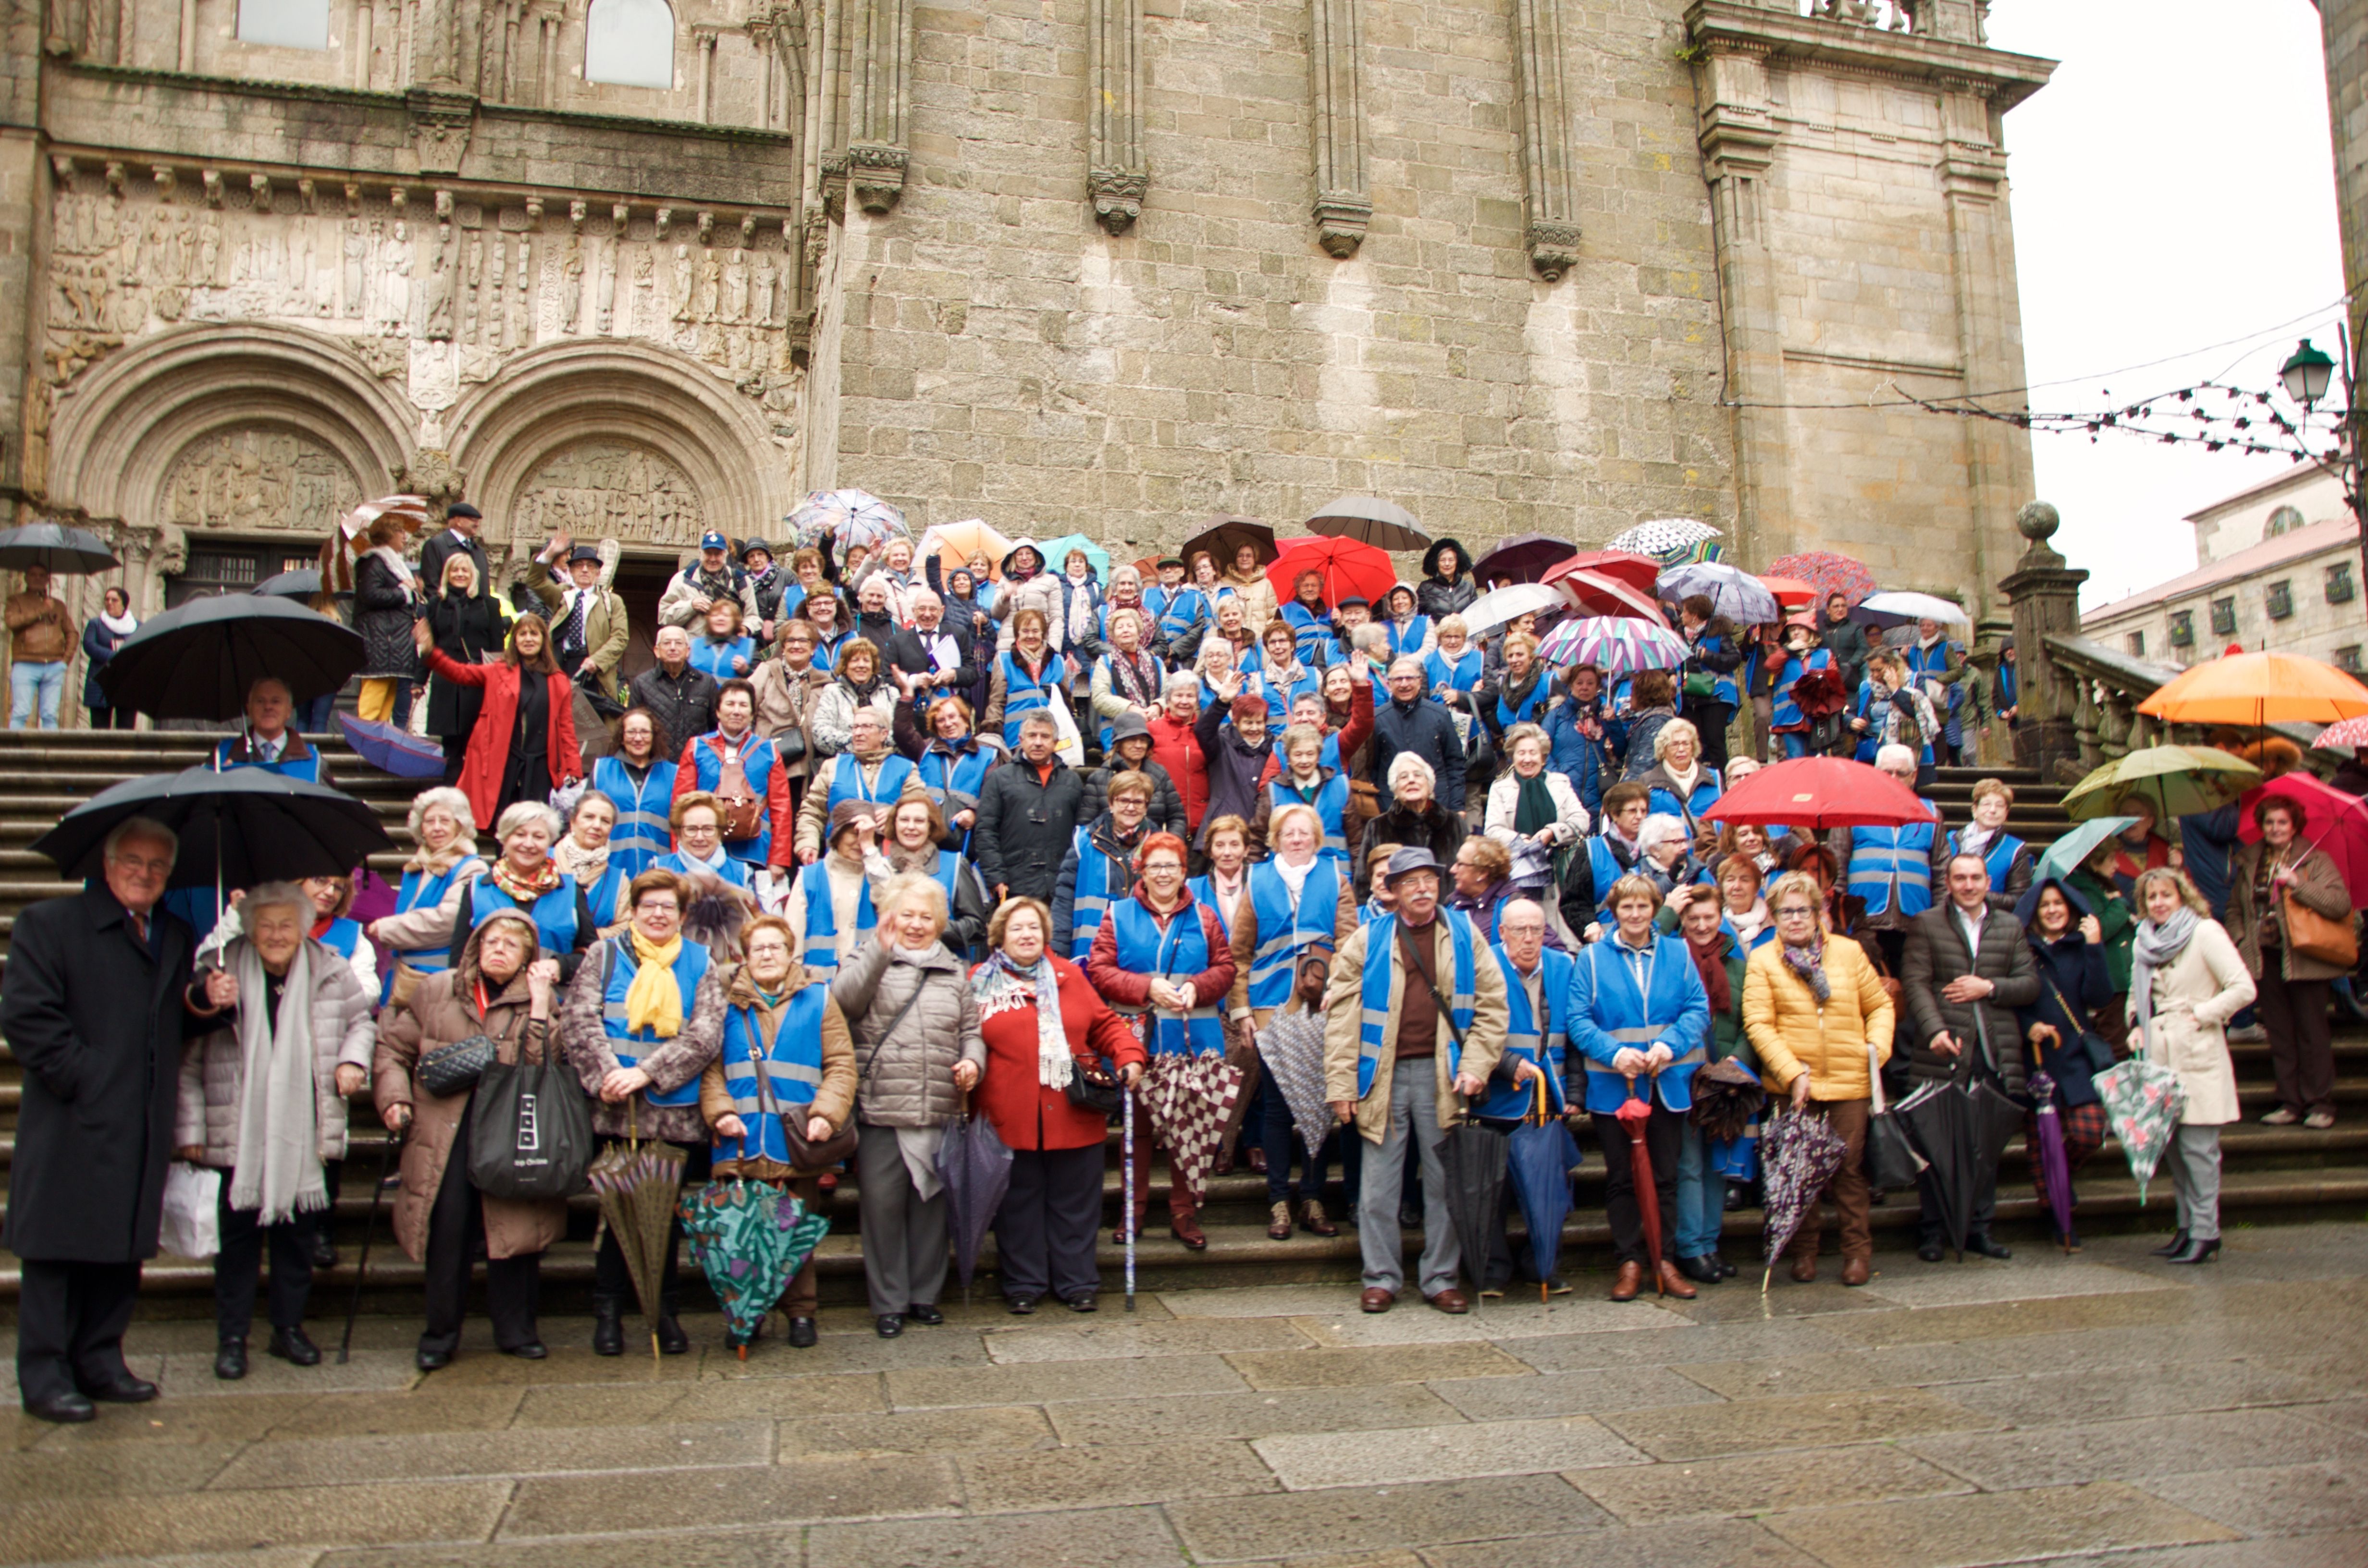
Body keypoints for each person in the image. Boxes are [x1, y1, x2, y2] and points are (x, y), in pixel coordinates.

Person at [4, 819, 214, 1421]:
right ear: (108, 862)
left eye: (157, 868)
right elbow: (28, 1020)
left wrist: (206, 1004)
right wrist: (90, 1081)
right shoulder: (49, 925)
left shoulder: (171, 935)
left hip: (142, 1121)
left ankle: (100, 1359)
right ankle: (45, 1375)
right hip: (74, 1119)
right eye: (134, 862)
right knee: (56, 1253)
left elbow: (171, 1021)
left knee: (122, 1249)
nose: (144, 875)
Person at [173, 882, 374, 1378]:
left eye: (287, 924)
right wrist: (191, 1126)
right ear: (249, 927)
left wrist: (353, 1060)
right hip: (235, 1128)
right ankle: (233, 1338)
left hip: (304, 1127)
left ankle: (288, 1329)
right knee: (237, 1241)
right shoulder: (219, 970)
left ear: (304, 925)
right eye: (266, 924)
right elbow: (187, 1056)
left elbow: (362, 1023)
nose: (277, 934)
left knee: (296, 1238)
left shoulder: (331, 968)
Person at [374, 909, 565, 1369]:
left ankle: (516, 1329)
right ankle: (440, 1334)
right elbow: (392, 1048)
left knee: (514, 1227)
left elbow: (543, 1066)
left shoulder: (540, 1000)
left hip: (512, 1129)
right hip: (447, 1129)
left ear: (527, 958)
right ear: (476, 947)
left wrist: (539, 1005)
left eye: (511, 945)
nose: (498, 950)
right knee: (448, 1231)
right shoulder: (437, 990)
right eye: (491, 941)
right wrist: (394, 1099)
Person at [1323, 847, 1508, 1314]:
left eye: (1429, 879)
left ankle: (1440, 1277)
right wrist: (1341, 1085)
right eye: (1411, 882)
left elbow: (1492, 1005)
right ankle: (1381, 1278)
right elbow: (1342, 1017)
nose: (1423, 889)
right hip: (1380, 1077)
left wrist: (1476, 1065)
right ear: (1394, 891)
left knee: (1444, 1183)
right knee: (1378, 1186)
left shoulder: (1464, 934)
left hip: (1443, 1075)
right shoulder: (1367, 940)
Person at [561, 869, 728, 1354]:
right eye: (649, 906)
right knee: (616, 1215)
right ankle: (608, 1312)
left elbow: (705, 1034)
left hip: (670, 1111)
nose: (658, 915)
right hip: (613, 1108)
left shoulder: (699, 960)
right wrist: (611, 1075)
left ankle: (664, 1312)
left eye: (668, 908)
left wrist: (648, 1073)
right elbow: (577, 1018)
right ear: (634, 911)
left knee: (662, 1216)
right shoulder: (603, 955)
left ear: (681, 916)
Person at [832, 878, 984, 1336]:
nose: (916, 925)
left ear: (939, 923)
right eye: (908, 915)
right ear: (890, 917)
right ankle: (889, 1303)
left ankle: (924, 1295)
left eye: (926, 917)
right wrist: (879, 951)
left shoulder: (955, 969)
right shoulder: (867, 955)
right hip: (882, 1106)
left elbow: (971, 1031)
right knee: (882, 1208)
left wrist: (973, 1062)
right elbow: (843, 1003)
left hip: (938, 1105)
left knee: (930, 1208)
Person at [976, 894, 1142, 1312]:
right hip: (1008, 1116)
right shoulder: (979, 981)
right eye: (1017, 928)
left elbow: (1105, 1025)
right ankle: (1023, 1285)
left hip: (1072, 1112)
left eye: (1034, 927)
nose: (1027, 934)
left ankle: (1077, 1282)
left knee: (1075, 1205)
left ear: (1046, 933)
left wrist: (1129, 1055)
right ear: (1000, 936)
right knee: (1018, 1208)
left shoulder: (1070, 976)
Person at [700, 913, 856, 1350]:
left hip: (797, 1142)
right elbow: (710, 1070)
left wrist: (827, 1113)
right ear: (744, 957)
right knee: (742, 1237)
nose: (767, 955)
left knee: (794, 1233)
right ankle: (747, 1314)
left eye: (775, 947)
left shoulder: (820, 999)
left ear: (792, 954)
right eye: (758, 949)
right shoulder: (725, 1003)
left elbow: (841, 1065)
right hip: (741, 1139)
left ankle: (801, 1313)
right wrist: (719, 1113)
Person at [1084, 832, 1236, 1248]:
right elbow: (1099, 969)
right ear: (1142, 872)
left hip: (1194, 1042)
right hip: (1140, 1043)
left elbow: (1226, 968)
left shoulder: (1205, 916)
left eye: (1172, 866)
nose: (1164, 874)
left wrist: (1199, 988)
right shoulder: (1118, 915)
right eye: (1155, 866)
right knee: (1138, 1132)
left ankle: (1184, 1214)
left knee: (1189, 1130)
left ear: (1185, 872)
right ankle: (1132, 1212)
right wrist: (1145, 988)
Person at [1741, 872, 1892, 1285]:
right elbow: (1759, 1022)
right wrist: (1791, 1072)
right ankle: (1805, 1252)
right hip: (1795, 1083)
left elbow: (1879, 1005)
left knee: (1849, 1169)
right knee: (1800, 1168)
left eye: (1803, 910)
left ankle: (1856, 1253)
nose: (1795, 919)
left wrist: (1876, 1049)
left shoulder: (1848, 952)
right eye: (1785, 912)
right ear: (1773, 916)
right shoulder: (1763, 960)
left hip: (1849, 1079)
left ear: (1817, 911)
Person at [1566, 875, 1710, 1301]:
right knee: (1621, 1180)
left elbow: (1697, 1008)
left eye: (1643, 907)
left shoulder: (1678, 952)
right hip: (1615, 1087)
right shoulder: (1591, 959)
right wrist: (1613, 1053)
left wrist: (1670, 1045)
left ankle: (1664, 1259)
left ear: (1655, 909)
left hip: (1666, 1083)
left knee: (1666, 1178)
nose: (1635, 915)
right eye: (1626, 908)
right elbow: (1578, 1019)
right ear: (1613, 911)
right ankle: (1629, 1261)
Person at [1902, 852, 2041, 1262]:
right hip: (1944, 1047)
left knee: (1986, 1145)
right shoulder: (1928, 924)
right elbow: (1915, 982)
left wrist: (1989, 988)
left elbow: (2030, 983)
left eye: (1975, 878)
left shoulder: (2011, 925)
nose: (1968, 885)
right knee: (1934, 1143)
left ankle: (1979, 1228)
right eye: (1960, 878)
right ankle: (1933, 1231)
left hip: (1995, 1050)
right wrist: (1934, 1030)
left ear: (1987, 882)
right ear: (1948, 881)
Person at [2128, 867, 2255, 1265]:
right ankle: (2185, 1228)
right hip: (2159, 1054)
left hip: (2197, 1049)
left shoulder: (2206, 933)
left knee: (2199, 1149)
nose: (2159, 903)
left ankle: (2207, 1232)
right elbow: (2137, 994)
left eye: (2167, 894)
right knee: (2174, 1151)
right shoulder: (2144, 940)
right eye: (2152, 897)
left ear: (2182, 896)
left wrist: (2203, 1013)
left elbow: (2243, 987)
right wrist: (2135, 1024)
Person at [2229, 796, 2349, 1129]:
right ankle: (2290, 1101)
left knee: (2313, 1033)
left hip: (2305, 958)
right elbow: (2235, 908)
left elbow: (2340, 904)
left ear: (2294, 825)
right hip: (2266, 957)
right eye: (2269, 822)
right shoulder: (2250, 862)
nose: (2275, 829)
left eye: (2282, 822)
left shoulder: (2317, 860)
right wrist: (2241, 939)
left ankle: (2319, 1103)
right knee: (2280, 1032)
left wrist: (2299, 885)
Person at [1478, 898, 1575, 1293]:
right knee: (1494, 1193)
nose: (1529, 938)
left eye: (1536, 929)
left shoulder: (1562, 966)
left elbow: (1577, 1031)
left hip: (1550, 1096)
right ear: (1502, 932)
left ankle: (1544, 1267)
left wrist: (1576, 1093)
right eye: (1519, 930)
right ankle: (1494, 1272)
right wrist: (1505, 1065)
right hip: (1502, 1096)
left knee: (1550, 1189)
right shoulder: (1485, 968)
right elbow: (1469, 1029)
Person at [414, 614, 582, 830]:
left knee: (537, 826)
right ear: (514, 640)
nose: (528, 639)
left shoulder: (559, 681)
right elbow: (461, 674)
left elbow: (566, 729)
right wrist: (431, 653)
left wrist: (574, 770)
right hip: (505, 761)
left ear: (543, 640)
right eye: (522, 634)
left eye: (534, 634)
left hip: (541, 765)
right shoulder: (497, 670)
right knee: (502, 825)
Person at [2015, 878, 2113, 1250]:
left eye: (2059, 904)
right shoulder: (2023, 950)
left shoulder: (2081, 946)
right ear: (2035, 913)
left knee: (2089, 1131)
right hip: (2037, 1059)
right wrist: (2029, 1028)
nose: (2053, 911)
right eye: (2045, 906)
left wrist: (2095, 947)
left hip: (2075, 1056)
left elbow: (2099, 996)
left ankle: (2063, 1179)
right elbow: (2012, 1002)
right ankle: (2058, 1220)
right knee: (2042, 1142)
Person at [1667, 884, 1751, 1275]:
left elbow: (1751, 1018)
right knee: (1690, 1164)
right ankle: (1689, 1246)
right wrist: (1669, 911)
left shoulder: (1737, 962)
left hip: (1725, 1079)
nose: (1702, 926)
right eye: (1693, 919)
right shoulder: (1670, 957)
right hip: (1685, 1074)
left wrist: (1737, 1058)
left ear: (1722, 919)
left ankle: (1710, 1242)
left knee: (1718, 1164)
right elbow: (1646, 934)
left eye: (1709, 918)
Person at [451, 800, 599, 978]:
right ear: (504, 839)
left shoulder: (571, 892)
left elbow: (595, 957)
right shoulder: (477, 889)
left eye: (538, 837)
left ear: (550, 842)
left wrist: (562, 966)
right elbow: (459, 961)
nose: (529, 844)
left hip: (552, 1000)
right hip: (487, 1002)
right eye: (520, 835)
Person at [1832, 744, 1943, 976]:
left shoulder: (1931, 813)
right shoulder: (1852, 809)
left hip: (1915, 923)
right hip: (1863, 922)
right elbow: (1836, 865)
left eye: (1900, 773)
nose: (1893, 778)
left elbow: (1942, 872)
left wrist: (1939, 921)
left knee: (1910, 995)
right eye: (1886, 772)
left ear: (1913, 777)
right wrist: (1838, 918)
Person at [367, 788, 487, 1001]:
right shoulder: (416, 868)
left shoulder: (472, 869)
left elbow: (449, 921)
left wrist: (387, 928)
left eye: (445, 821)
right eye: (430, 821)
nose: (437, 828)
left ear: (459, 826)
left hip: (441, 986)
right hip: (403, 981)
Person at [673, 679, 794, 872]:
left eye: (743, 705)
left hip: (754, 852)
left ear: (752, 714)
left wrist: (779, 859)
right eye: (730, 704)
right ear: (718, 711)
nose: (736, 711)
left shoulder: (768, 750)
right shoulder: (697, 747)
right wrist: (677, 852)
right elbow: (680, 805)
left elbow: (781, 808)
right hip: (702, 851)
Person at [974, 711, 1085, 902]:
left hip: (1061, 884)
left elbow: (1081, 835)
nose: (1038, 742)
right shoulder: (1000, 779)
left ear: (1056, 742)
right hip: (1014, 883)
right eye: (1032, 735)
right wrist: (996, 877)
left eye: (1045, 736)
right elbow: (985, 831)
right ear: (1021, 739)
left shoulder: (1072, 781)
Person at [868, 787, 992, 956]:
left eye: (919, 821)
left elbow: (977, 927)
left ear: (931, 826)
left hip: (945, 970)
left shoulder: (955, 865)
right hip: (891, 972)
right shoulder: (880, 868)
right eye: (904, 820)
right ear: (894, 824)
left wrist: (929, 928)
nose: (911, 827)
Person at [1053, 769, 1158, 960]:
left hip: (1144, 950)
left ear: (1146, 806)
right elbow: (1065, 896)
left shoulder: (1162, 846)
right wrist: (1059, 947)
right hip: (1091, 950)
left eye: (1138, 802)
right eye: (1123, 800)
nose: (1131, 808)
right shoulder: (1084, 841)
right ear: (1111, 803)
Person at [422, 553, 508, 784]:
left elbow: (497, 646)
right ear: (447, 575)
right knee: (450, 745)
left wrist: (500, 679)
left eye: (465, 571)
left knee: (476, 740)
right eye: (455, 570)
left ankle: (472, 792)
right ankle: (451, 790)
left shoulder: (489, 605)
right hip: (446, 680)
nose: (460, 575)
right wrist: (418, 681)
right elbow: (427, 644)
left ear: (473, 576)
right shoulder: (436, 605)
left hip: (478, 680)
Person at [795, 705, 916, 860]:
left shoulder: (906, 769)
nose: (858, 733)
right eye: (855, 727)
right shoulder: (832, 767)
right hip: (840, 860)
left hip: (890, 861)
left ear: (884, 734)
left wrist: (897, 814)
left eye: (866, 727)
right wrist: (807, 842)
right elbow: (812, 811)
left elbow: (921, 808)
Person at [1483, 723, 1589, 897]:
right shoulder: (1500, 788)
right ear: (1512, 756)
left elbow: (1582, 820)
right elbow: (1492, 830)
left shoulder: (1560, 782)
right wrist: (1519, 839)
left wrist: (1552, 832)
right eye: (1521, 753)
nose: (1527, 759)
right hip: (1516, 874)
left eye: (1533, 753)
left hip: (1561, 873)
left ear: (1543, 757)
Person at [786, 800, 882, 984]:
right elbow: (791, 939)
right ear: (837, 836)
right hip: (816, 987)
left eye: (867, 837)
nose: (859, 842)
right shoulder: (810, 876)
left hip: (867, 988)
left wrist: (871, 852)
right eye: (854, 834)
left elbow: (893, 904)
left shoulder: (880, 873)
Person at [1357, 752, 1467, 898]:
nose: (1411, 781)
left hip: (1448, 914)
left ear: (1430, 785)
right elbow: (1363, 884)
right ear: (1395, 789)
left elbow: (1468, 874)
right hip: (1396, 916)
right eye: (1403, 777)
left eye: (1418, 775)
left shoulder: (1454, 823)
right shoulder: (1378, 827)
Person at [1372, 656, 1468, 816]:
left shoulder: (1439, 715)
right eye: (1398, 679)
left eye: (1410, 678)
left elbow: (1455, 763)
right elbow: (1373, 768)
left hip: (1438, 805)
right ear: (1389, 684)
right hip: (1393, 809)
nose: (1404, 684)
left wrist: (1457, 806)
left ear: (1420, 681)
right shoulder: (1378, 719)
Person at [591, 709, 680, 880]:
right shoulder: (601, 770)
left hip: (661, 873)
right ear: (622, 737)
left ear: (654, 736)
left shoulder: (674, 774)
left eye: (645, 732)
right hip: (608, 871)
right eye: (631, 732)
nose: (638, 738)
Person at [526, 539, 628, 684]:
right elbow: (535, 581)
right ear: (571, 571)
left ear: (598, 573)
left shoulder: (612, 602)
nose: (585, 570)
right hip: (561, 664)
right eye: (579, 566)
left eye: (591, 566)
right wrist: (549, 553)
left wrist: (597, 661)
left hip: (594, 669)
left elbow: (620, 638)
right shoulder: (561, 594)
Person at [350, 518, 419, 724]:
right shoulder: (373, 561)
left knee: (385, 707)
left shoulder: (391, 562)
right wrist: (403, 592)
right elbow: (370, 594)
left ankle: (377, 748)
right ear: (390, 535)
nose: (405, 537)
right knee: (373, 703)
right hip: (381, 640)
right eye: (400, 531)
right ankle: (364, 745)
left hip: (393, 641)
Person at [913, 694, 1003, 844]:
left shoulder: (989, 755)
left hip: (968, 836)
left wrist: (974, 811)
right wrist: (907, 695)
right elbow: (902, 732)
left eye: (952, 717)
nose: (948, 724)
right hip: (925, 833)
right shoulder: (925, 748)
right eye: (941, 720)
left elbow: (993, 793)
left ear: (965, 720)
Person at [1082, 710, 1188, 837]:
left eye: (1143, 740)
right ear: (1119, 744)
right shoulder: (1099, 779)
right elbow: (1086, 823)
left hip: (1152, 850)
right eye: (1132, 740)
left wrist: (1169, 845)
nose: (1139, 745)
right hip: (1108, 850)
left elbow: (1177, 817)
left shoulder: (1160, 775)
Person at [1195, 684, 1278, 846]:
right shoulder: (1221, 745)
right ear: (1236, 722)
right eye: (1248, 723)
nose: (1254, 728)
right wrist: (1222, 702)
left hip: (1259, 838)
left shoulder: (1275, 749)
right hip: (1223, 835)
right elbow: (1202, 729)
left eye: (1259, 723)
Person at [210, 675, 332, 783]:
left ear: (289, 710)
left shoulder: (314, 763)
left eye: (276, 701)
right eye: (260, 701)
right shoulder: (221, 756)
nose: (268, 707)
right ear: (249, 709)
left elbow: (329, 807)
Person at [985, 607, 1072, 748]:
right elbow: (996, 703)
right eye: (1025, 631)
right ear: (1017, 634)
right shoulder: (1003, 660)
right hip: (1016, 739)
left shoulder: (1058, 662)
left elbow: (1066, 703)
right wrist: (992, 733)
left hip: (1051, 740)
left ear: (1043, 633)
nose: (1031, 636)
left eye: (1036, 631)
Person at [630, 625, 722, 760]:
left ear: (688, 651)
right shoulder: (642, 683)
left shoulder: (706, 682)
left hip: (697, 762)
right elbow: (632, 726)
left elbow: (716, 728)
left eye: (679, 643)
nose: (673, 647)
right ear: (657, 651)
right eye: (667, 643)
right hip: (656, 763)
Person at [1945, 778, 2032, 914]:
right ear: (1975, 810)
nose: (1993, 810)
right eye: (1986, 804)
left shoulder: (2016, 849)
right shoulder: (1950, 840)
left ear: (2006, 813)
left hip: (1992, 921)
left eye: (2000, 806)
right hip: (1949, 915)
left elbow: (2020, 899)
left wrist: (1978, 895)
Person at [1631, 717, 1721, 847]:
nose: (1681, 749)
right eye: (1674, 744)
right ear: (1663, 749)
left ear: (1693, 747)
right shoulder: (1647, 781)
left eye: (1686, 744)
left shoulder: (1714, 778)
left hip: (1709, 855)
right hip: (1666, 858)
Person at [810, 636, 900, 760]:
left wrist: (874, 743)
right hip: (844, 764)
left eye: (866, 660)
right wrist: (860, 742)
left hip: (887, 763)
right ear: (845, 666)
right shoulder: (833, 692)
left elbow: (904, 735)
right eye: (855, 660)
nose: (861, 665)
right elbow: (820, 734)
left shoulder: (891, 694)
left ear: (873, 666)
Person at [555, 790, 633, 930]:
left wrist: (589, 940)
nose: (597, 826)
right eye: (589, 817)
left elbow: (623, 928)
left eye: (605, 821)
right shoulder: (543, 861)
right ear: (573, 822)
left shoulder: (620, 882)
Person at [1147, 673, 1210, 838]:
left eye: (1190, 696)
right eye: (1179, 695)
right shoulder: (1151, 730)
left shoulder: (1206, 732)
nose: (1184, 701)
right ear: (1168, 700)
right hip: (1164, 825)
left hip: (1201, 827)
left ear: (1197, 700)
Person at [659, 530, 759, 629]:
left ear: (725, 555)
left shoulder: (741, 581)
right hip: (694, 644)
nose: (713, 559)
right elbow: (663, 618)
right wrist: (691, 606)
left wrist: (745, 628)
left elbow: (753, 617)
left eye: (718, 554)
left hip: (730, 644)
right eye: (708, 553)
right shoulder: (682, 579)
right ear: (701, 553)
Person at [656, 791, 754, 892]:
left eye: (708, 829)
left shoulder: (743, 873)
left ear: (719, 833)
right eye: (692, 829)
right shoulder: (659, 869)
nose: (700, 838)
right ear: (679, 834)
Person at [1769, 621, 1836, 760]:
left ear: (1811, 632)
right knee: (1795, 760)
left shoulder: (1825, 655)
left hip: (1817, 718)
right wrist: (1787, 650)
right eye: (1792, 630)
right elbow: (1770, 665)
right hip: (1790, 718)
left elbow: (1835, 682)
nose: (1796, 632)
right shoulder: (1783, 657)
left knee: (1818, 761)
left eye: (1801, 628)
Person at [80, 584, 137, 730]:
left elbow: (143, 648)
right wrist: (115, 656)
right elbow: (89, 645)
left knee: (126, 727)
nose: (109, 603)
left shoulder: (136, 626)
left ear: (124, 604)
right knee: (100, 727)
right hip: (101, 679)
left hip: (127, 681)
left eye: (114, 600)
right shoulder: (96, 624)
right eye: (107, 600)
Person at [418, 502, 490, 607]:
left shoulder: (479, 551)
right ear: (459, 521)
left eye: (478, 521)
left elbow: (484, 588)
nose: (477, 524)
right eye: (473, 520)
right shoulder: (436, 545)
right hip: (449, 615)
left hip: (478, 615)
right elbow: (432, 586)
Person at [1417, 539, 1476, 622]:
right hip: (1436, 633)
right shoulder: (1425, 588)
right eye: (1443, 560)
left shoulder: (1469, 588)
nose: (1447, 564)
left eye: (1451, 560)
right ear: (1436, 563)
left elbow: (1476, 616)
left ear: (1457, 562)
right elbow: (1415, 618)